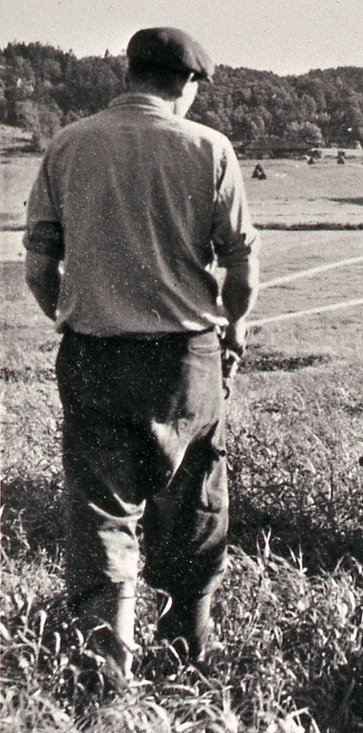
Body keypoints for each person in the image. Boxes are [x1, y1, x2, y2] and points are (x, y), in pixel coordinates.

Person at [23, 27, 260, 685]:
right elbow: (241, 266)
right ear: (184, 84)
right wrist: (233, 330)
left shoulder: (68, 145)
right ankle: (190, 652)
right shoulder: (209, 149)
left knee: (101, 508)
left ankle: (108, 672)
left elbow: (40, 267)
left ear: (128, 74)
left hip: (94, 356)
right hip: (187, 362)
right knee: (196, 500)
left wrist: (78, 317)